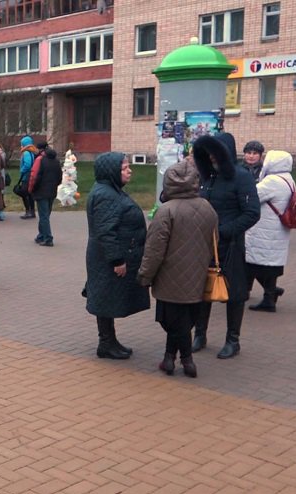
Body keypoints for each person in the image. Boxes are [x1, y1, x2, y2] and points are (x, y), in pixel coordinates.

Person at [138, 161, 218, 378]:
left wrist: (145, 276)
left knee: (172, 321)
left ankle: (184, 360)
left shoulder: (166, 211)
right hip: (197, 275)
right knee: (185, 320)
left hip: (168, 278)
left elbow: (154, 249)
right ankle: (171, 358)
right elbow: (214, 242)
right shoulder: (207, 207)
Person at [191, 132, 261, 359]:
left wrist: (224, 232)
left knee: (235, 293)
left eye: (215, 153)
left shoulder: (241, 177)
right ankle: (199, 335)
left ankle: (233, 340)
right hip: (203, 245)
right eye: (208, 153)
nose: (211, 157)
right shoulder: (207, 176)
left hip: (230, 246)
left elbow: (252, 213)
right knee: (202, 291)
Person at [84, 152, 150, 359]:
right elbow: (105, 231)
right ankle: (106, 344)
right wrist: (117, 260)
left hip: (108, 256)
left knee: (107, 298)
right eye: (124, 168)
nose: (129, 170)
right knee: (105, 298)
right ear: (111, 171)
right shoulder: (106, 195)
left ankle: (110, 341)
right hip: (108, 259)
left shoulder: (110, 190)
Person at [245, 150, 295, 313]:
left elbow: (251, 197)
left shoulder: (272, 181)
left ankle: (269, 295)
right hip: (277, 230)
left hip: (265, 230)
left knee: (254, 263)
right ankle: (271, 291)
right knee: (267, 264)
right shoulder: (288, 179)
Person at [30, 148, 62, 246]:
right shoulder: (56, 162)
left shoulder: (41, 161)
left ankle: (48, 238)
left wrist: (33, 188)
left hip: (41, 192)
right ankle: (41, 235)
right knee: (46, 214)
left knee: (43, 216)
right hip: (52, 191)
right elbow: (59, 177)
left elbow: (36, 176)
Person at [17, 136, 38, 219]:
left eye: (21, 144)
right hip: (31, 175)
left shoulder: (26, 153)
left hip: (26, 176)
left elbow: (28, 164)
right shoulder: (32, 152)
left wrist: (22, 170)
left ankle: (28, 211)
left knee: (24, 194)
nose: (21, 146)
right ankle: (32, 211)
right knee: (30, 194)